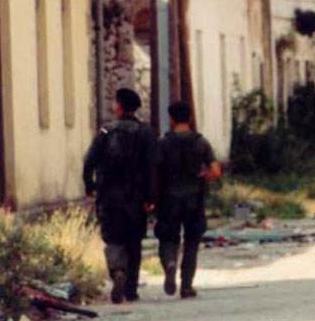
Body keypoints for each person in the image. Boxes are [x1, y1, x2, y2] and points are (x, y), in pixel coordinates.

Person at [83, 88, 157, 304]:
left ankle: (117, 271)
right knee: (134, 242)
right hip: (136, 197)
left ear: (119, 106)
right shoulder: (146, 133)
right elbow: (152, 167)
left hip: (109, 196)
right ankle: (131, 289)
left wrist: (90, 185)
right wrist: (151, 197)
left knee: (113, 238)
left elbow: (89, 161)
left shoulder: (106, 132)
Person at [155, 101, 220, 299]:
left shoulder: (163, 143)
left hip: (168, 198)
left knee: (168, 238)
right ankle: (186, 286)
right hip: (194, 199)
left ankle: (169, 263)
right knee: (192, 241)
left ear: (171, 119)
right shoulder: (201, 142)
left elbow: (155, 171)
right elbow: (215, 171)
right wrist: (202, 176)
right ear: (190, 118)